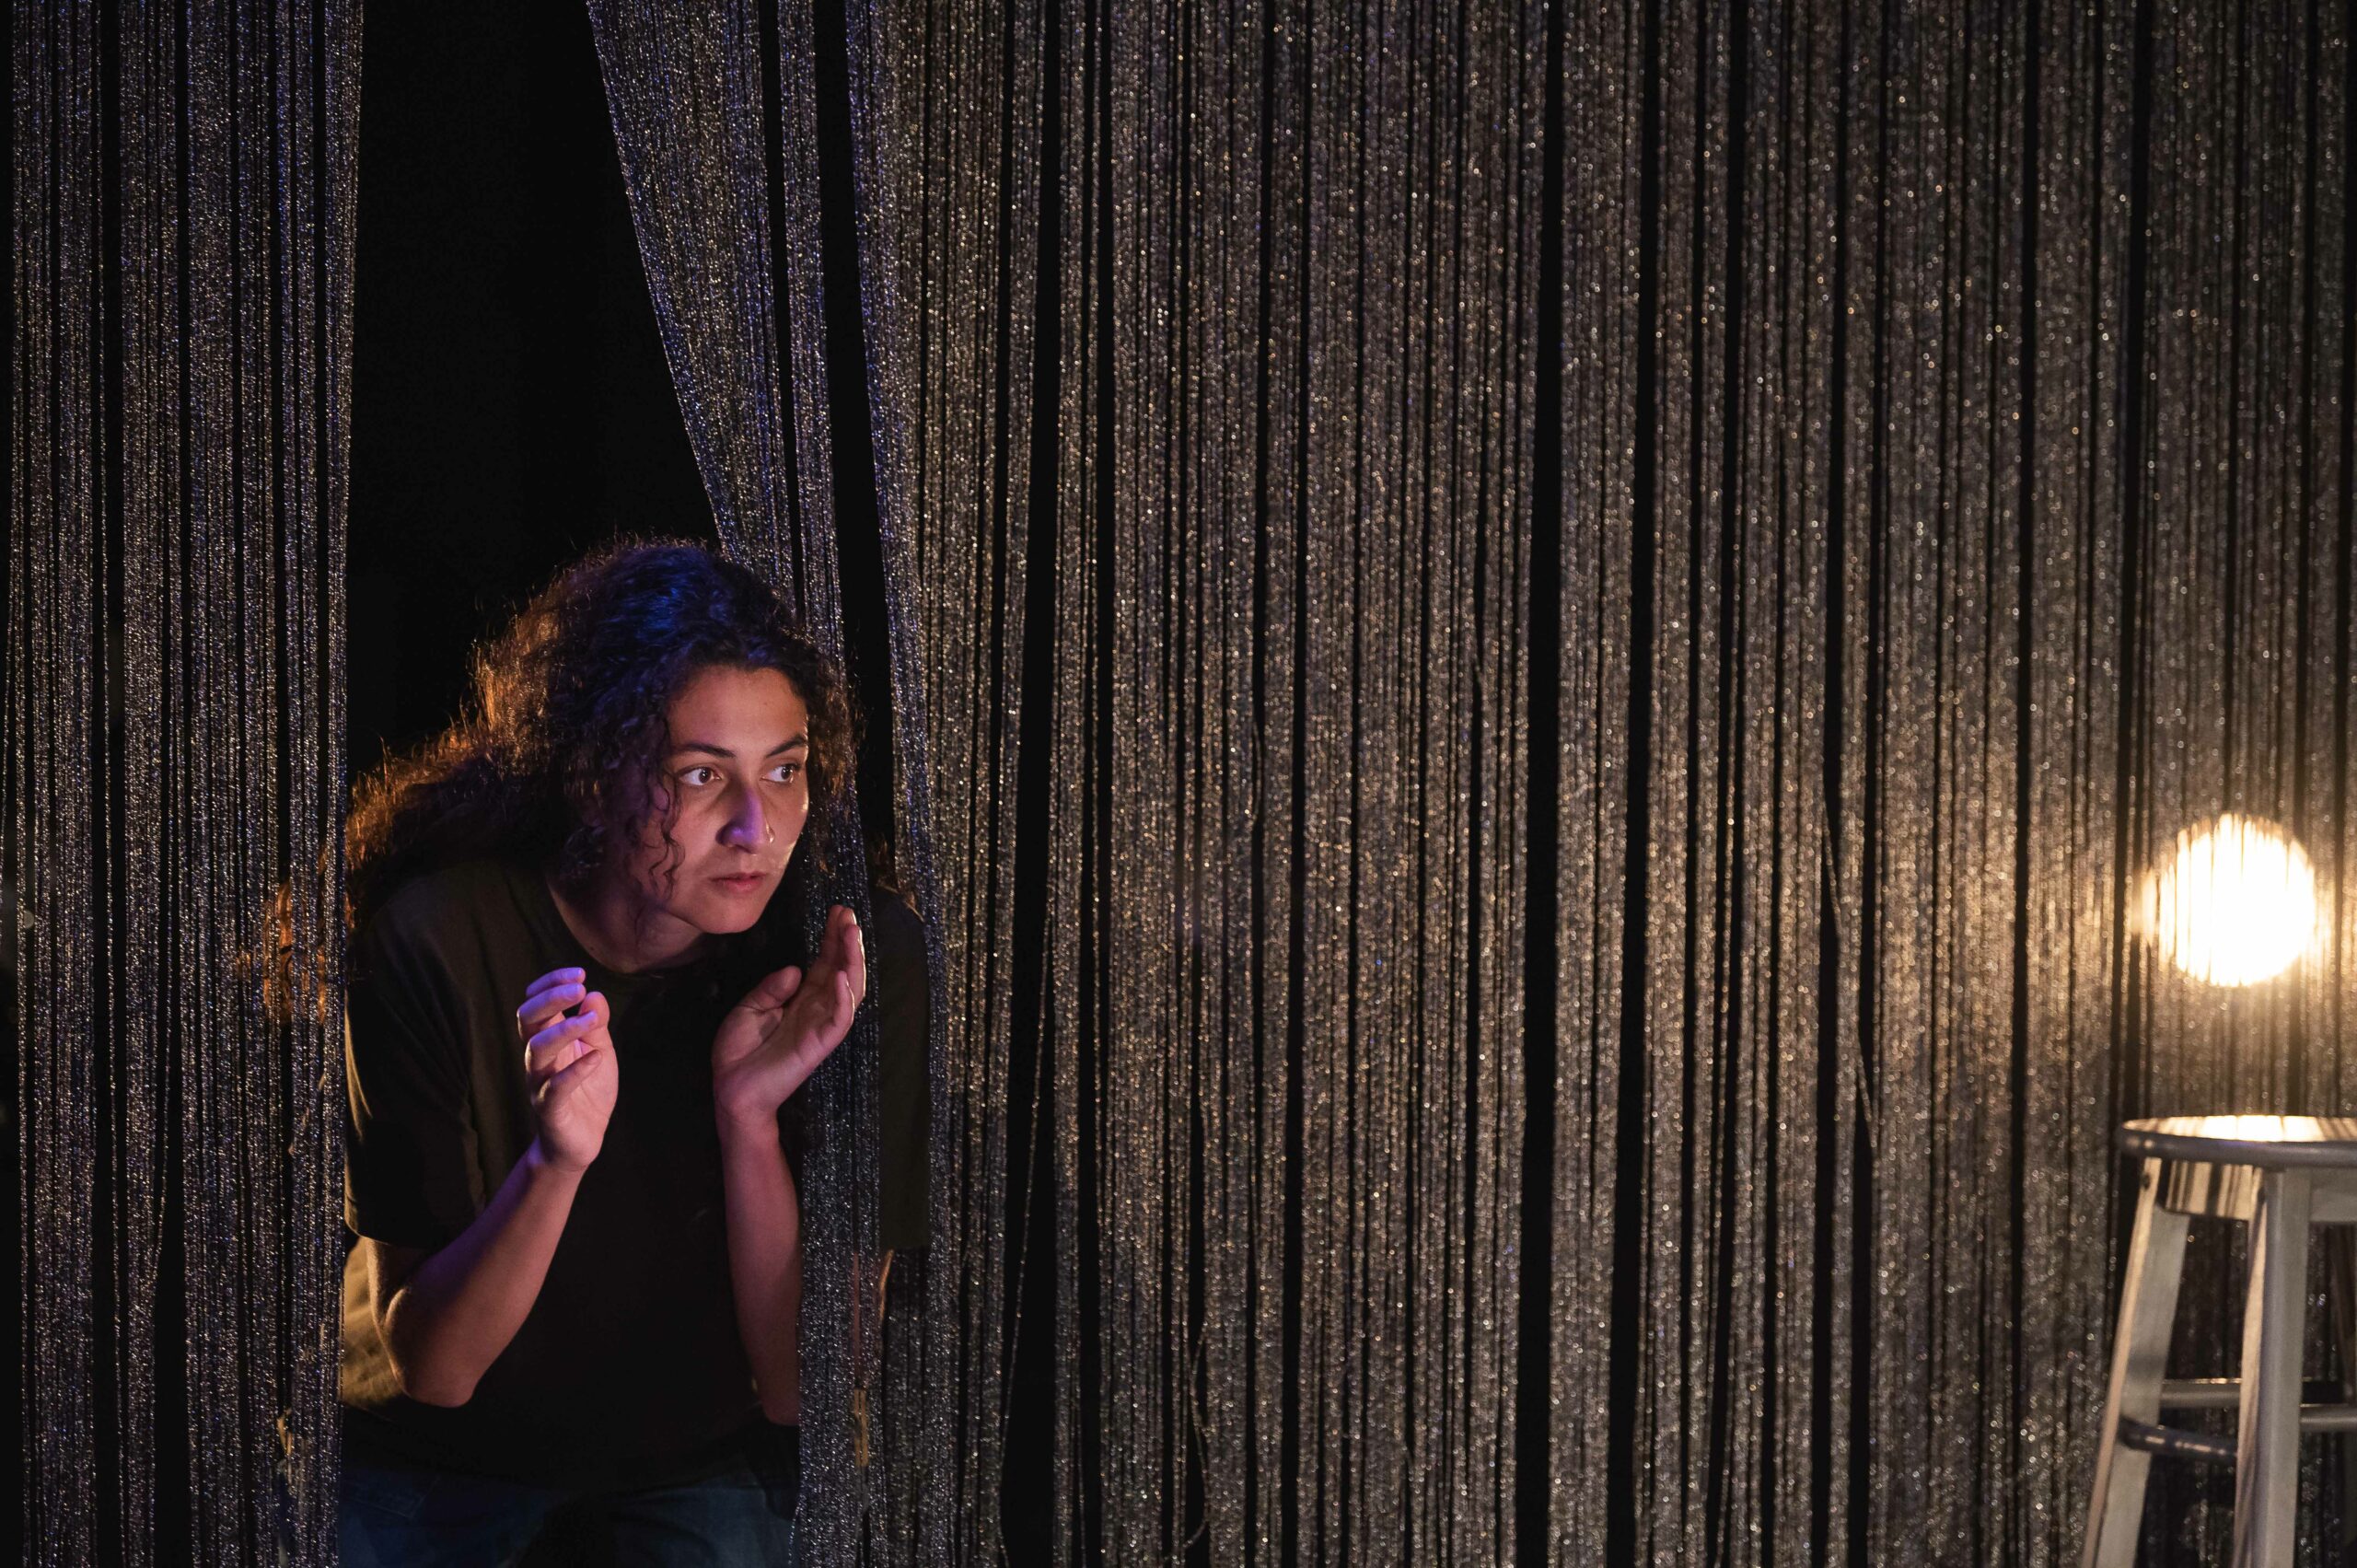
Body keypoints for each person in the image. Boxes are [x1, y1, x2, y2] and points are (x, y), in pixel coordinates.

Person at [335, 540, 927, 1566]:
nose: (755, 827)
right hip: (437, 1449)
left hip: (709, 1441)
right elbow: (436, 1367)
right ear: (593, 771)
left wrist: (748, 1119)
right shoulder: (438, 937)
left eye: (785, 769)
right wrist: (555, 1158)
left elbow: (806, 1387)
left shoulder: (849, 956)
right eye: (701, 774)